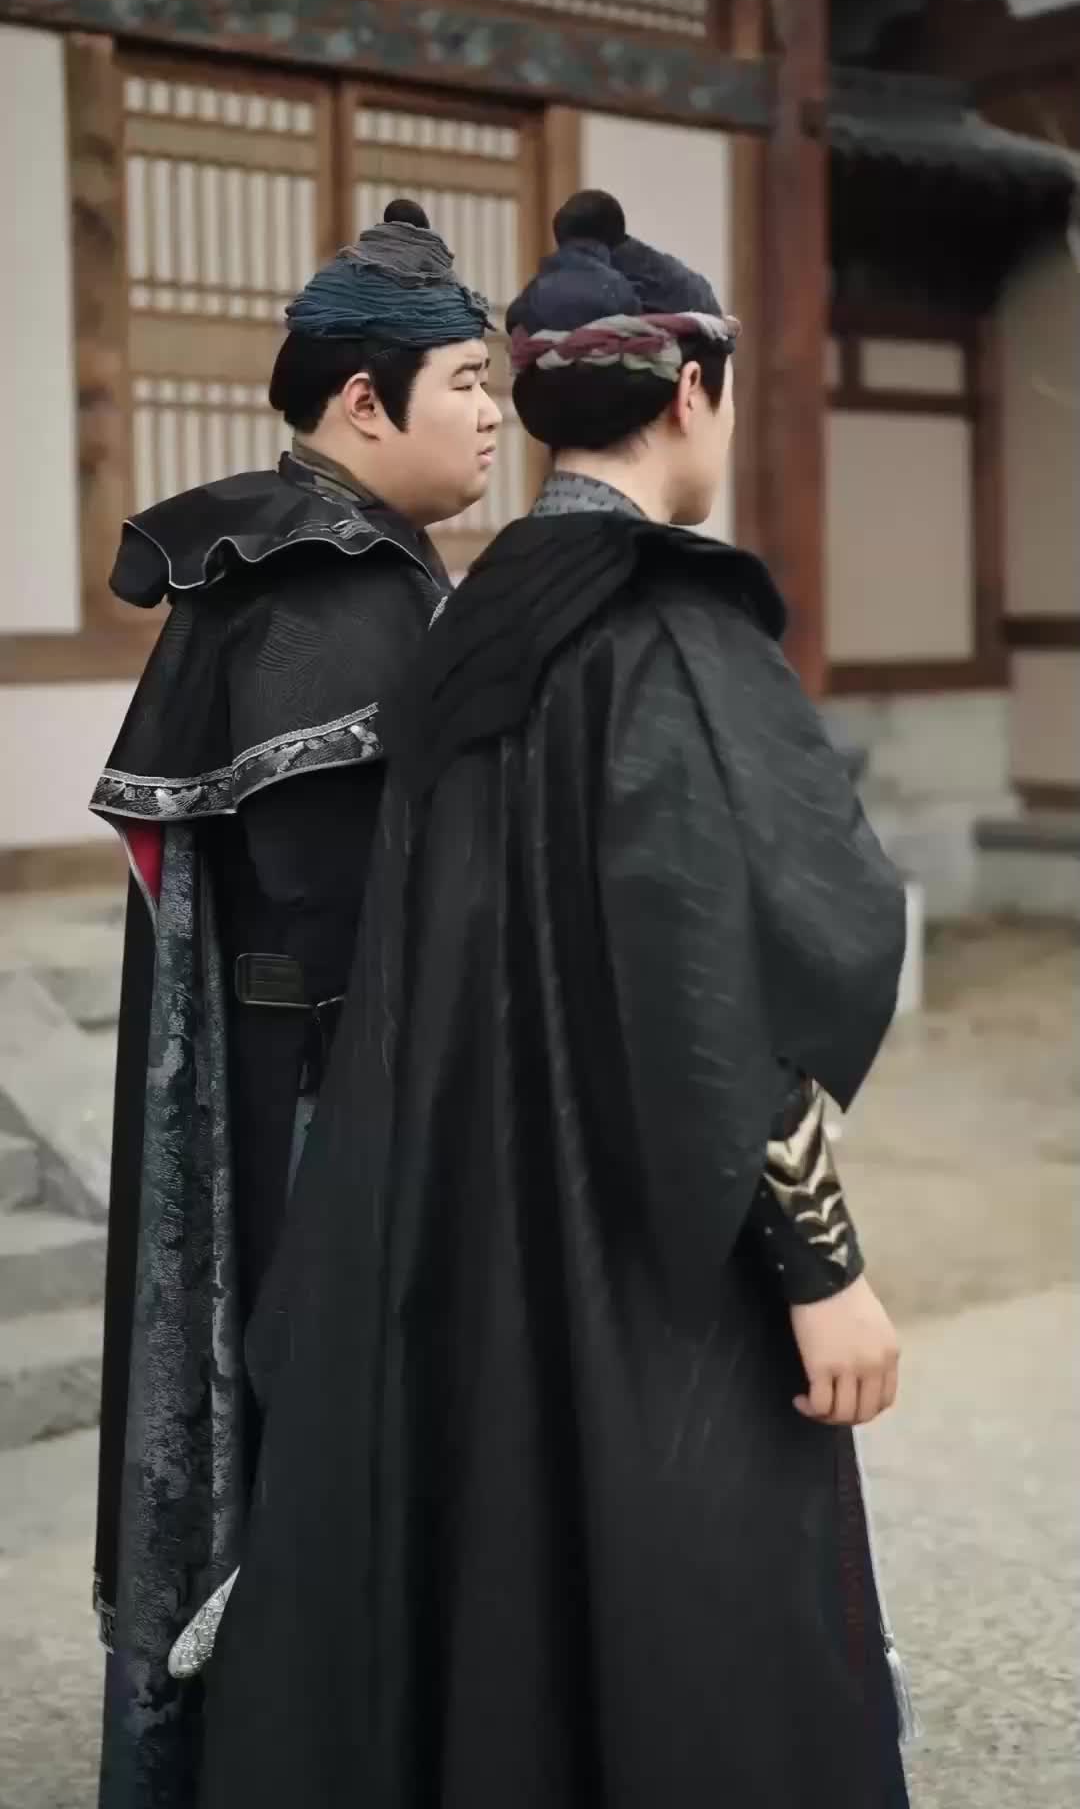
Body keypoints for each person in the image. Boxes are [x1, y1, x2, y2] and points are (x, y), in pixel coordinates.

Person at [197, 190, 913, 1809]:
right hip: (653, 1246)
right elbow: (728, 968)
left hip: (472, 1227)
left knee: (506, 1607)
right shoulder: (673, 630)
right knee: (691, 1626)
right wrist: (821, 1263)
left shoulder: (465, 630)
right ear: (693, 390)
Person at [90, 199, 500, 1809]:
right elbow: (351, 910)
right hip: (325, 1105)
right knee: (324, 1443)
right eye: (467, 382)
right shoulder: (327, 583)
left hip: (297, 1085)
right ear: (362, 403)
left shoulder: (327, 560)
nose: (493, 415)